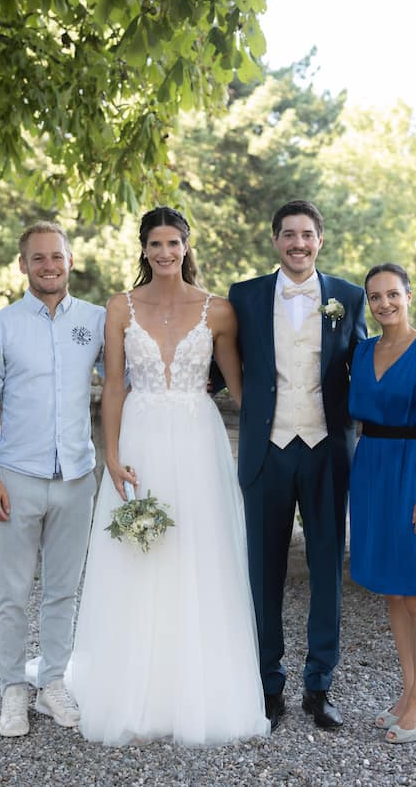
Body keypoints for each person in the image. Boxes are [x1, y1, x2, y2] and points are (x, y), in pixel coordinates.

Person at [69, 206, 269, 745]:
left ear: (186, 246)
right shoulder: (120, 307)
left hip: (198, 443)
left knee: (198, 554)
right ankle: (136, 692)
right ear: (143, 248)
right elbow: (114, 386)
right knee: (139, 556)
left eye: (173, 243)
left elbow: (241, 388)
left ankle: (200, 691)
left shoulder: (218, 310)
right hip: (140, 441)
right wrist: (111, 455)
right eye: (155, 244)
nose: (164, 253)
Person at [228, 200, 367, 731]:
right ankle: (268, 685)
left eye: (307, 234)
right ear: (275, 241)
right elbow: (219, 358)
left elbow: (367, 368)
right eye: (289, 234)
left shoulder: (349, 298)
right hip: (267, 449)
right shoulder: (244, 296)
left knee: (327, 569)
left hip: (327, 449)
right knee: (263, 571)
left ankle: (319, 685)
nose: (298, 243)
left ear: (320, 241)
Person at [0, 222, 105, 737]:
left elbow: (127, 380)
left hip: (77, 477)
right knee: (12, 591)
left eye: (57, 257)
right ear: (22, 265)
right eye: (38, 258)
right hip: (17, 477)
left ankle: (51, 684)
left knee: (64, 591)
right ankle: (12, 689)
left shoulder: (96, 321)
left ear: (71, 261)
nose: (49, 266)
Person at [349, 263, 416, 744]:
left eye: (392, 294)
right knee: (393, 591)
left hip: (413, 474)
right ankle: (410, 692)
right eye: (375, 297)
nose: (384, 303)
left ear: (409, 296)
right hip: (371, 473)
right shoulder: (362, 350)